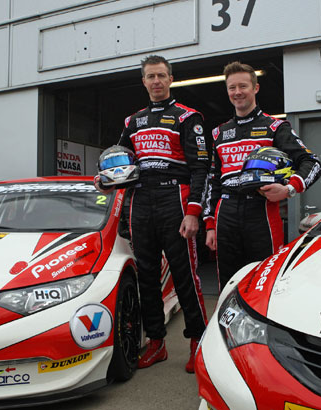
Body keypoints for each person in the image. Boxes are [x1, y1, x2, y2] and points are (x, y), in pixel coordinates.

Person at [97, 55, 209, 373]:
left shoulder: (189, 117)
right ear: (143, 81)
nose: (156, 81)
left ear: (171, 78)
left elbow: (201, 167)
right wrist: (104, 180)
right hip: (140, 200)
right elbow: (118, 160)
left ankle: (197, 340)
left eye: (161, 75)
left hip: (176, 197)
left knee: (184, 275)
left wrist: (193, 212)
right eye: (150, 76)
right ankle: (156, 343)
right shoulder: (132, 121)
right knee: (147, 277)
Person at [203, 61, 321, 291]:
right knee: (228, 284)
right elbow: (213, 181)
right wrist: (209, 225)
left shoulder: (275, 127)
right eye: (232, 88)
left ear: (255, 88)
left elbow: (312, 163)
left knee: (264, 281)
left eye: (243, 86)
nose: (237, 92)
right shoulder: (219, 132)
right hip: (225, 214)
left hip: (261, 212)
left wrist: (288, 189)